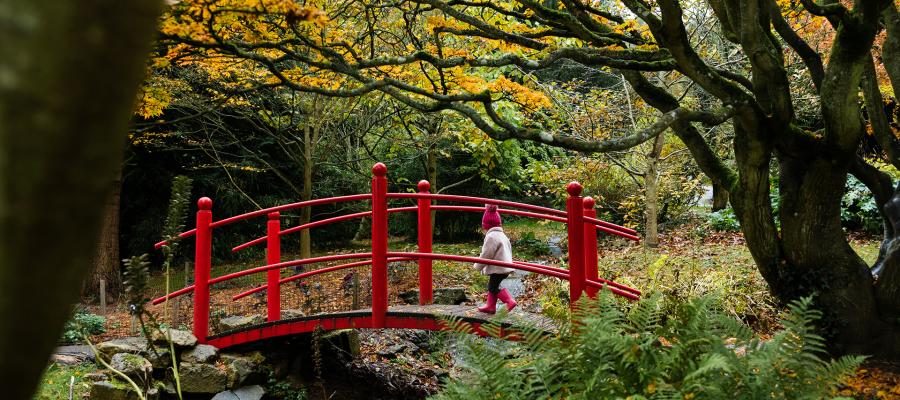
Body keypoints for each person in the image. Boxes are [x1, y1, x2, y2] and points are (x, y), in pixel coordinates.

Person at [473, 204, 517, 314]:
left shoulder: (491, 237)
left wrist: (477, 266)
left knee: (492, 287)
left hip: (499, 268)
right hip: (504, 266)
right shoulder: (502, 235)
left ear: (486, 226)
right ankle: (490, 306)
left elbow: (486, 254)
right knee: (493, 286)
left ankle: (509, 301)